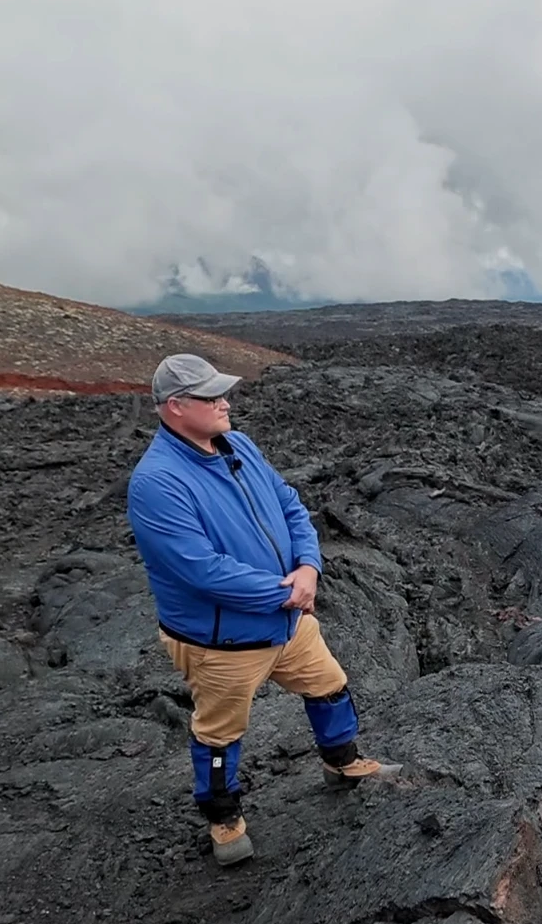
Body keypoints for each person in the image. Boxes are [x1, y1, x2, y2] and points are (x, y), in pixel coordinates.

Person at [126, 353, 399, 867]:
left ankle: (342, 763)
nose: (226, 402)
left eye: (222, 392)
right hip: (223, 639)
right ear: (176, 407)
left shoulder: (239, 445)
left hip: (289, 621)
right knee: (219, 733)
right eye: (212, 397)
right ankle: (223, 819)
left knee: (329, 685)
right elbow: (199, 570)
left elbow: (291, 504)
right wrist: (286, 591)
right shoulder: (157, 482)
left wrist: (309, 567)